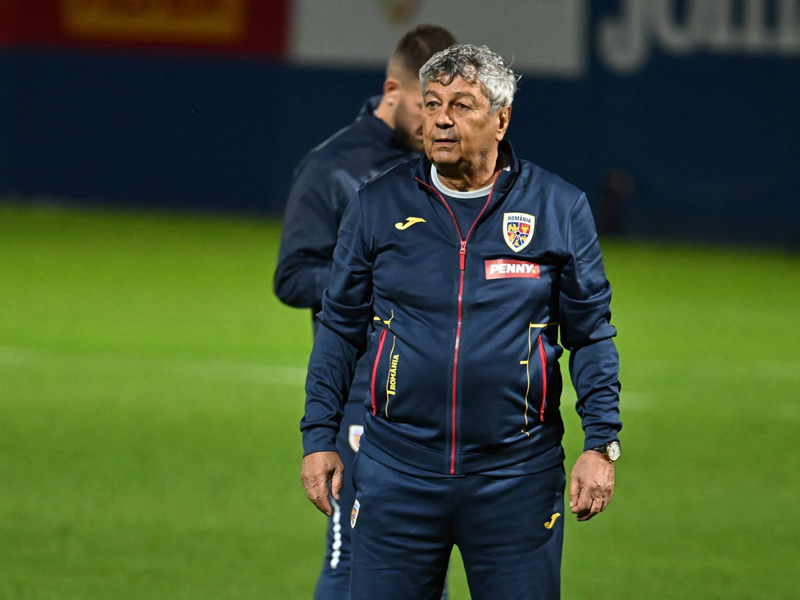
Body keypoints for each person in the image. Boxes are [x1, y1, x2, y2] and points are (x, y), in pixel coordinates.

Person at [300, 44, 622, 600]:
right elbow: (340, 328)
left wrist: (601, 443)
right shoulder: (377, 205)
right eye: (432, 104)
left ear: (501, 119)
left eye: (461, 104)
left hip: (516, 478)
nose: (442, 119)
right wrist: (317, 436)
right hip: (396, 474)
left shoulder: (558, 207)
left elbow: (590, 334)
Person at [273, 24, 457, 600]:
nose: (438, 123)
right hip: (362, 388)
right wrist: (372, 281)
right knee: (351, 554)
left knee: (426, 564)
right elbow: (293, 276)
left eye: (450, 106)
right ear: (392, 91)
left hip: (437, 394)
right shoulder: (333, 166)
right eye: (427, 106)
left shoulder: (447, 166)